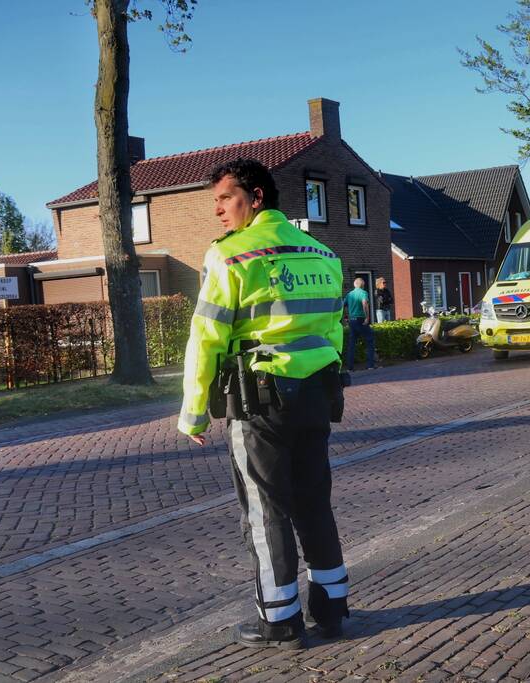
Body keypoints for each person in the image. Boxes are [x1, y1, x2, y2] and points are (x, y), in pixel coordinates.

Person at [178, 158, 349, 649]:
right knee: (315, 499)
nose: (217, 212)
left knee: (265, 507)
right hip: (317, 393)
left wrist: (193, 409)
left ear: (256, 197)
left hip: (259, 401)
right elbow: (333, 329)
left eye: (225, 199)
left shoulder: (231, 257)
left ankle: (279, 619)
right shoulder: (321, 253)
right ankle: (332, 607)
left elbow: (206, 335)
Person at [344, 278, 377, 370]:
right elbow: (364, 303)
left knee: (352, 344)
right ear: (362, 285)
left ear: (355, 285)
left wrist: (346, 317)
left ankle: (349, 367)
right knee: (370, 340)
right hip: (360, 320)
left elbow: (343, 305)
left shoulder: (349, 294)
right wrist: (367, 317)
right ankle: (370, 365)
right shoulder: (363, 293)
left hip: (352, 321)